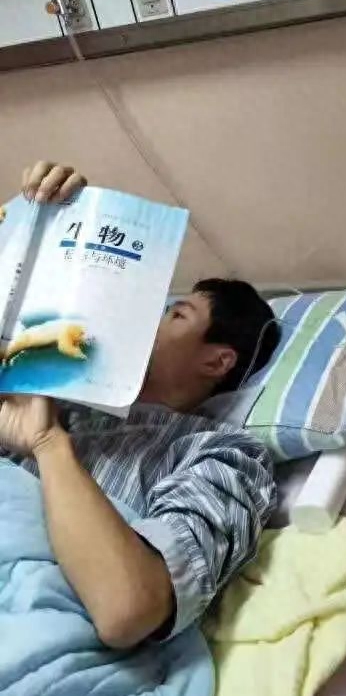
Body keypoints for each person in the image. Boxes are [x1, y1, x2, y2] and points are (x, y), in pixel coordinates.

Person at [0, 161, 280, 650]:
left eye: (176, 313)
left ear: (217, 360)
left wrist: (48, 445)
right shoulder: (54, 395)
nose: (151, 317)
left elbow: (127, 608)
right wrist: (38, 228)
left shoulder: (224, 453)